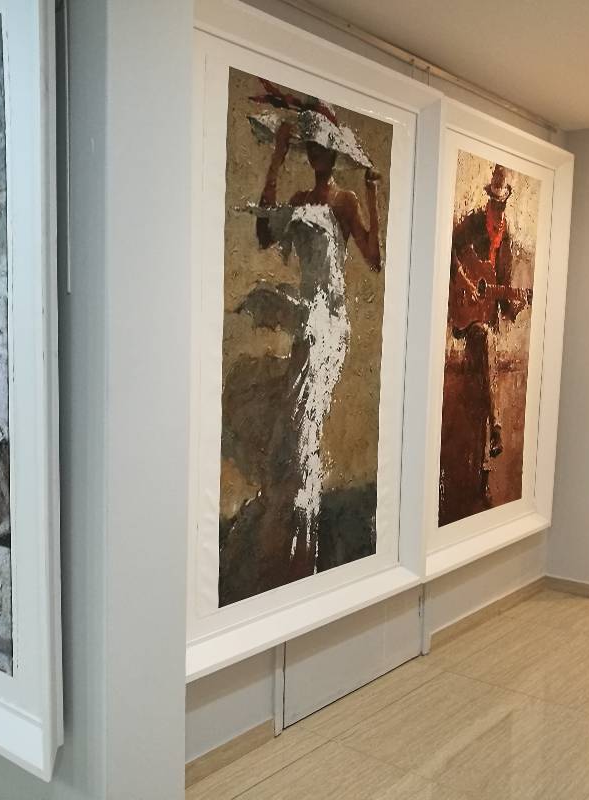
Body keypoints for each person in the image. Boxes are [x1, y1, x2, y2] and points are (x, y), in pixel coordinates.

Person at [218, 82, 382, 603]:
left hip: (330, 325)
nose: (317, 158)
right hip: (308, 319)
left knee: (303, 426)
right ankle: (284, 552)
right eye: (310, 149)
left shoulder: (344, 200)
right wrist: (277, 157)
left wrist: (372, 194)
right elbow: (265, 236)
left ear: (334, 156)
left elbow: (374, 257)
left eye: (323, 150)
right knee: (289, 430)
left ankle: (298, 550)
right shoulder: (298, 199)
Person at [439, 164, 530, 525]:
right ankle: (496, 425)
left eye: (501, 201)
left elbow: (504, 305)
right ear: (488, 198)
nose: (497, 206)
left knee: (487, 341)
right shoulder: (471, 224)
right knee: (483, 337)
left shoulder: (508, 245)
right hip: (464, 317)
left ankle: (486, 458)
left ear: (507, 201)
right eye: (493, 199)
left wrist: (519, 302)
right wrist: (464, 281)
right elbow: (446, 251)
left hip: (484, 325)